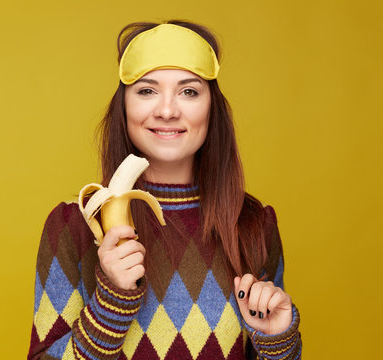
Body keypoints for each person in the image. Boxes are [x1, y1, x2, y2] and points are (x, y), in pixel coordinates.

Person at [27, 20, 302, 360]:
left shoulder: (252, 223)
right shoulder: (76, 225)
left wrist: (278, 341)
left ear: (211, 108)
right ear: (124, 106)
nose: (168, 110)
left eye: (189, 91)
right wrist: (111, 302)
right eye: (147, 90)